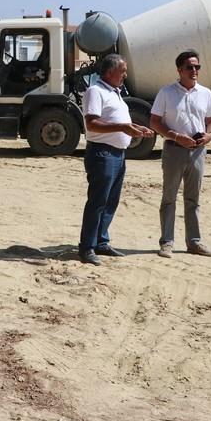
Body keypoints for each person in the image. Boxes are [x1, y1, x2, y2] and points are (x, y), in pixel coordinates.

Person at [79, 54, 154, 266]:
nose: (126, 75)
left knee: (110, 201)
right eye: (123, 71)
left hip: (118, 154)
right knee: (97, 202)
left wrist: (135, 128)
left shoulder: (115, 93)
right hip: (102, 154)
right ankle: (87, 247)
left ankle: (101, 242)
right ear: (110, 72)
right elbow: (92, 124)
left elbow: (118, 121)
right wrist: (123, 127)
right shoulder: (96, 91)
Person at [149, 50, 211, 258]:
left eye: (197, 67)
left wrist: (209, 135)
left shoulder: (205, 93)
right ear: (179, 70)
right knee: (169, 198)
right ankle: (167, 243)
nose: (194, 70)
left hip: (198, 152)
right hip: (174, 151)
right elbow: (154, 122)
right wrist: (176, 137)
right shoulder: (166, 93)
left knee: (193, 199)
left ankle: (194, 242)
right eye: (190, 67)